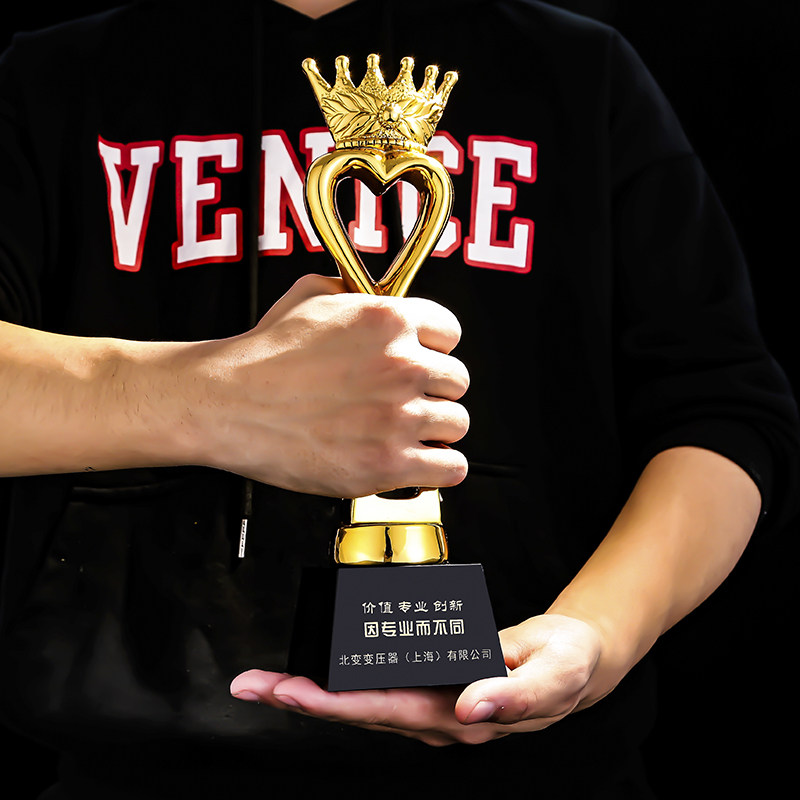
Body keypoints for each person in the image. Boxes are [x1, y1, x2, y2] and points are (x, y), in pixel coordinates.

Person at [0, 1, 797, 797]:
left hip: (545, 780)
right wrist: (211, 397)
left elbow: (723, 410)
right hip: (130, 767)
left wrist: (596, 630)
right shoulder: (53, 79)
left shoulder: (583, 72)